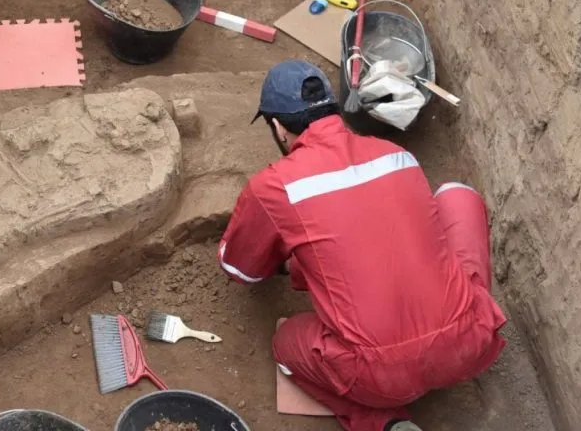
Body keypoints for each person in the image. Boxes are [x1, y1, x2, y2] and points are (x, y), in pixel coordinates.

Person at [217, 60, 507, 431]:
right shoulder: (396, 154)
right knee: (457, 197)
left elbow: (239, 268)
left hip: (381, 377)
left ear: (278, 127)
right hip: (467, 344)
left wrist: (285, 261)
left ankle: (382, 423)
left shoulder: (275, 187)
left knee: (287, 346)